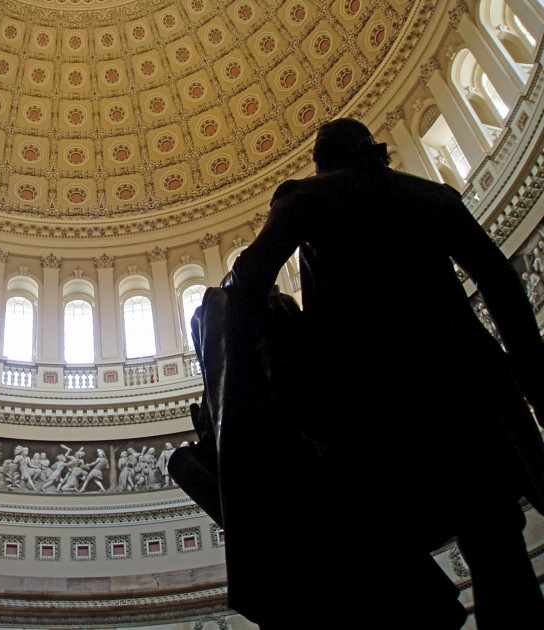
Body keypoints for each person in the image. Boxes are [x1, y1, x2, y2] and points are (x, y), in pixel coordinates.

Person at [227, 118, 544, 628]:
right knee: (496, 544)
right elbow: (500, 279)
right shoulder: (432, 196)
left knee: (373, 549)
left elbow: (247, 283)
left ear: (323, 161)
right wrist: (534, 379)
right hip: (463, 395)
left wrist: (257, 393)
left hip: (366, 402)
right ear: (376, 152)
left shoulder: (304, 199)